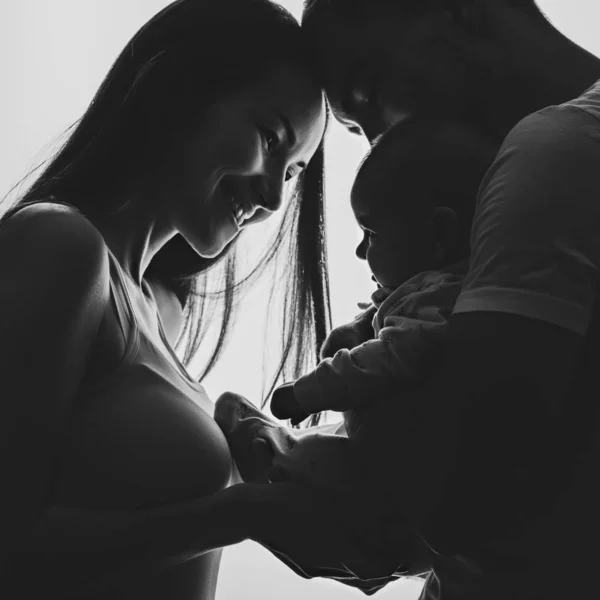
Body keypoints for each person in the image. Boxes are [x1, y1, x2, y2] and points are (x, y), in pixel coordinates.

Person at [0, 0, 347, 597]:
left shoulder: (163, 310)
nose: (270, 195)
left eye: (291, 173)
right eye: (269, 138)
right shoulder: (61, 246)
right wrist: (236, 516)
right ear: (179, 90)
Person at [279, 0, 600, 598]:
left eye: (369, 95)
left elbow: (461, 505)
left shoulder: (555, 152)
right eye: (356, 129)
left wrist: (364, 374)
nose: (381, 142)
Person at [215, 117, 498, 495]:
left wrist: (308, 392)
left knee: (334, 461)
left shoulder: (438, 298)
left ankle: (283, 461)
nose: (361, 251)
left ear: (440, 234)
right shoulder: (429, 293)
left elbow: (385, 359)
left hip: (406, 478)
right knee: (332, 440)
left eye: (372, 234)